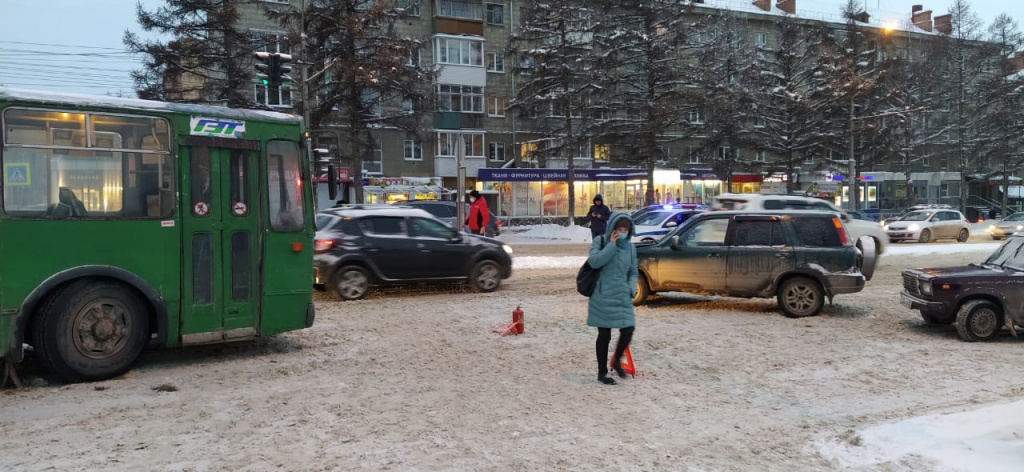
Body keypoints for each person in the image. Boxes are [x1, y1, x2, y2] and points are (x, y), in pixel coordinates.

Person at [586, 213, 637, 385]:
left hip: (622, 294)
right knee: (604, 335)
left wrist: (630, 287)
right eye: (619, 229)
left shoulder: (630, 247)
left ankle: (616, 360)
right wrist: (612, 246)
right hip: (603, 294)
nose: (622, 232)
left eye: (625, 230)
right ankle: (602, 372)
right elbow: (594, 262)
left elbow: (633, 271)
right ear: (612, 229)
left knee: (628, 328)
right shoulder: (600, 241)